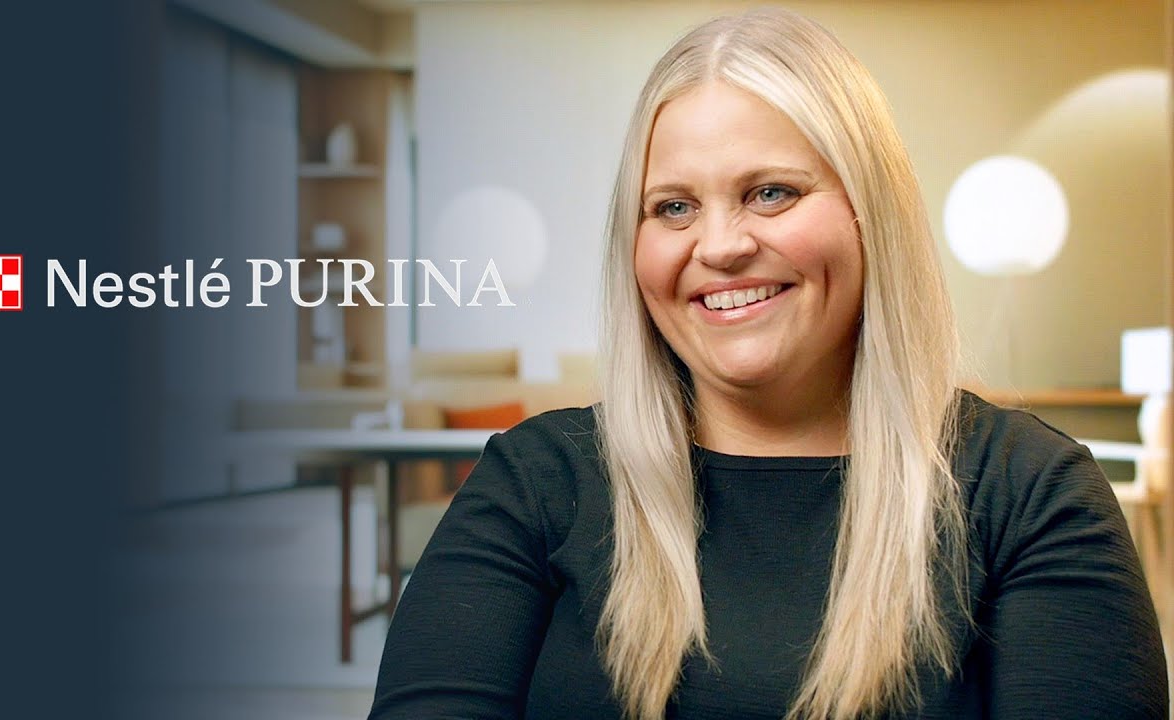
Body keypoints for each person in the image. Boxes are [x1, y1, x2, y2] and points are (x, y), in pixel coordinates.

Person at [369, 8, 1169, 719]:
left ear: (869, 215)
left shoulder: (1030, 494)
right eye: (673, 206)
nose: (718, 246)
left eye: (771, 193)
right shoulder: (535, 482)